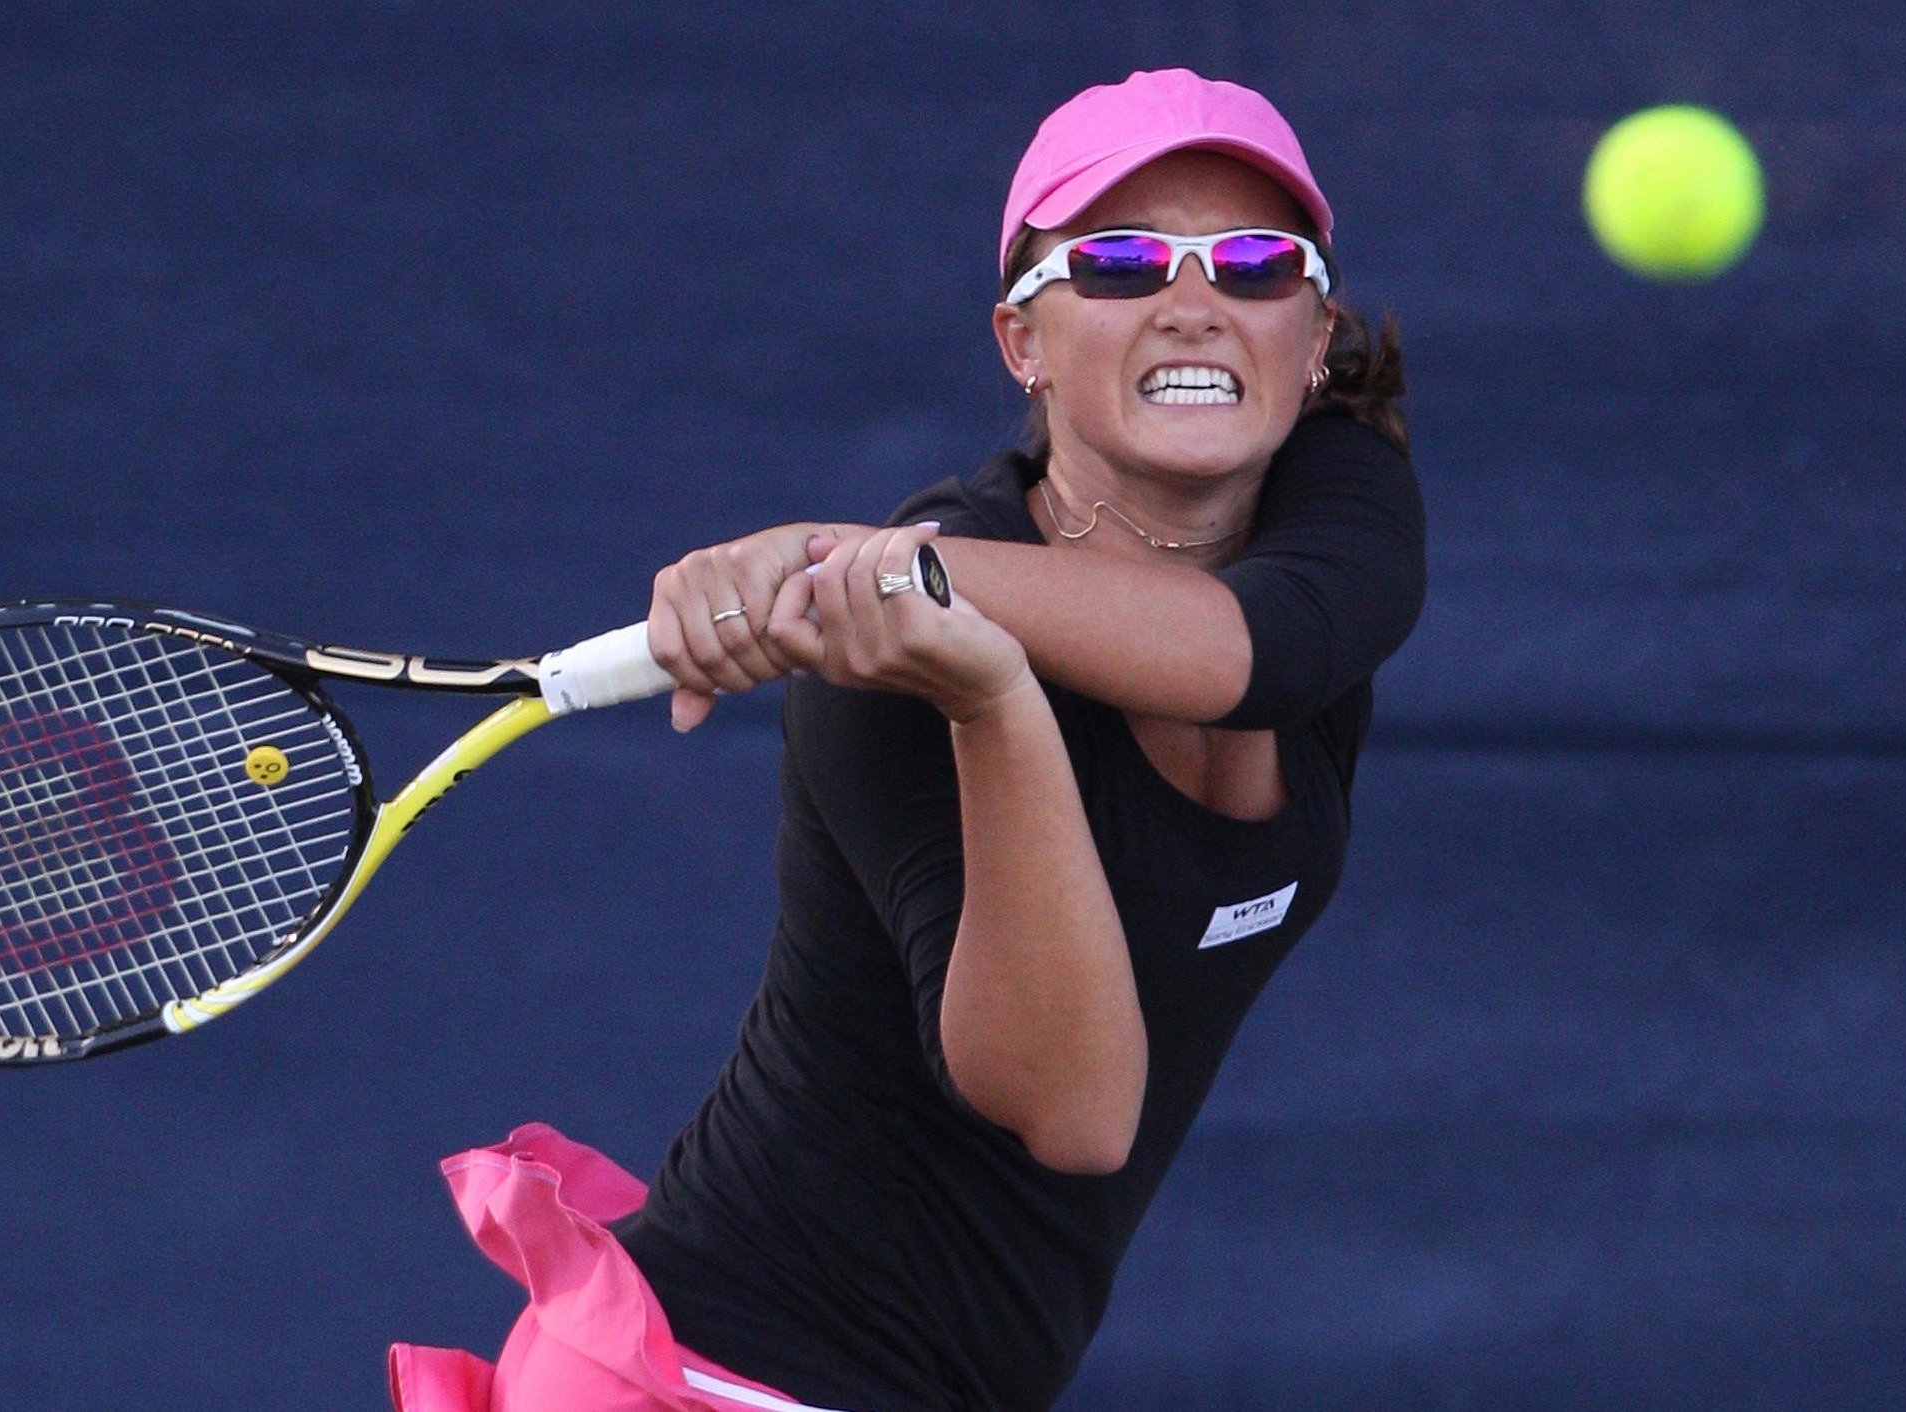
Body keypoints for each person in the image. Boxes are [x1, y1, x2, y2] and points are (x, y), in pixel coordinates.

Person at [388, 67, 1425, 1412]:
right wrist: (990, 700)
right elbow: (1072, 1111)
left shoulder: (1341, 513)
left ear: (1316, 331)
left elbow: (1252, 654)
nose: (1193, 301)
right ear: (1022, 341)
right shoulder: (885, 676)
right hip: (718, 1375)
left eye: (1255, 264)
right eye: (1116, 263)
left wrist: (852, 558)